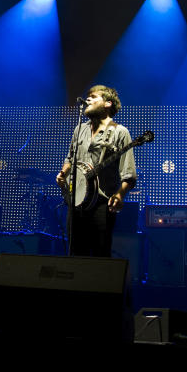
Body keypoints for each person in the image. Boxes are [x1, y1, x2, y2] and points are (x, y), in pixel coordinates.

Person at [56, 85, 136, 257]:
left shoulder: (120, 132)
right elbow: (70, 158)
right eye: (88, 97)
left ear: (107, 103)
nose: (88, 100)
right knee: (75, 254)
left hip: (102, 204)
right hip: (76, 202)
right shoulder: (80, 129)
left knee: (100, 255)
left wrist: (120, 194)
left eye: (93, 97)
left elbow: (128, 173)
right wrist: (63, 173)